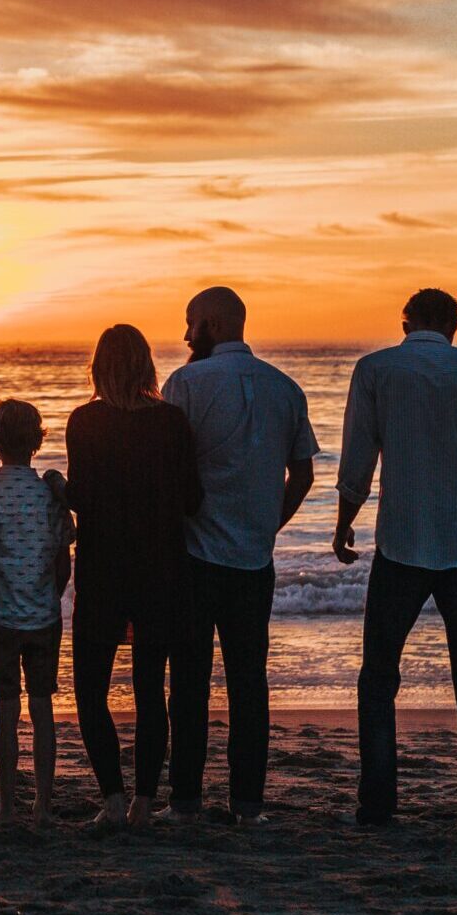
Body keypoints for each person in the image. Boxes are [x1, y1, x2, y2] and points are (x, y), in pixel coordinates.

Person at [333, 288, 457, 826]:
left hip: (400, 544)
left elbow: (358, 460)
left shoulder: (375, 371)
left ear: (406, 324)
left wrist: (344, 523)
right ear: (453, 326)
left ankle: (377, 803)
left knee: (379, 679)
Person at [159, 286, 316, 824]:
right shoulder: (285, 387)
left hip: (195, 556)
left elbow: (168, 469)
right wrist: (269, 524)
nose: (186, 335)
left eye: (191, 323)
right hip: (253, 559)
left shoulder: (184, 384)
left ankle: (185, 801)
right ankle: (247, 804)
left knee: (189, 683)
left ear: (215, 324)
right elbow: (303, 475)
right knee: (250, 684)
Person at [64, 326, 200, 828]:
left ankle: (114, 800)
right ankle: (144, 801)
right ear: (147, 365)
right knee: (149, 689)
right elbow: (193, 500)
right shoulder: (171, 421)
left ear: (98, 368)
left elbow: (82, 497)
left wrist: (57, 490)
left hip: (102, 569)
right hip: (162, 569)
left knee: (90, 689)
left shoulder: (85, 421)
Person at [0, 400, 70, 828]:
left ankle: (7, 807)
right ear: (37, 441)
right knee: (43, 708)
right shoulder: (50, 495)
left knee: (6, 713)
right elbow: (63, 562)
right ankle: (43, 806)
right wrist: (51, 596)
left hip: (1, 617)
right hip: (44, 616)